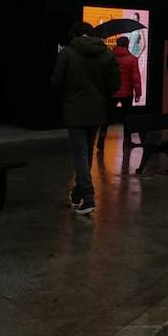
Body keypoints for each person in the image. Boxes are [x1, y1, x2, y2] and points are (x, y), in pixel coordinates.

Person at [51, 22, 118, 215]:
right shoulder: (107, 54)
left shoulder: (68, 53)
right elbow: (115, 85)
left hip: (74, 111)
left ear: (75, 35)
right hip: (97, 111)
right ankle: (77, 194)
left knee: (80, 154)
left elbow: (56, 80)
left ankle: (88, 198)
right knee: (87, 153)